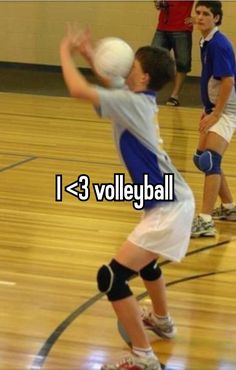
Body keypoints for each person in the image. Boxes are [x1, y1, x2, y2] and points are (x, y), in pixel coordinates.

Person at [60, 25, 195, 370]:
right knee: (145, 264)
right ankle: (161, 321)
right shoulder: (138, 99)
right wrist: (91, 55)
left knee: (111, 277)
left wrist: (64, 50)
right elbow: (113, 83)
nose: (125, 69)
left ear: (143, 77)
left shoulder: (130, 102)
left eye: (131, 66)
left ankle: (143, 357)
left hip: (169, 206)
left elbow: (77, 88)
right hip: (165, 200)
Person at [191, 1, 236, 238]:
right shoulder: (206, 40)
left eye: (206, 14)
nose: (200, 17)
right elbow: (213, 80)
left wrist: (217, 113)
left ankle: (205, 220)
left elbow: (228, 81)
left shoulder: (218, 44)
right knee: (202, 159)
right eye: (197, 13)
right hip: (216, 107)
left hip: (228, 109)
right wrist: (208, 108)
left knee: (210, 160)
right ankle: (229, 207)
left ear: (216, 18)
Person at [152, 0, 194, 106]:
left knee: (182, 63)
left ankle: (174, 96)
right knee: (152, 59)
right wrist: (158, 3)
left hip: (182, 28)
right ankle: (149, 92)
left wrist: (197, 18)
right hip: (163, 27)